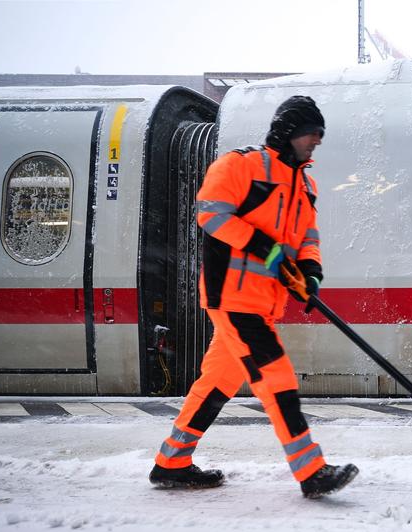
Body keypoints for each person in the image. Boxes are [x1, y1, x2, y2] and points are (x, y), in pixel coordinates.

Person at [149, 95, 358, 499]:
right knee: (276, 375)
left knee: (218, 382)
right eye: (309, 135)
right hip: (231, 295)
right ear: (287, 133)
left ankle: (171, 462)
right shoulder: (242, 165)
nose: (315, 143)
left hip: (263, 301)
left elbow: (306, 238)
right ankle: (310, 470)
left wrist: (310, 271)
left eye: (319, 136)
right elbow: (211, 213)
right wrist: (265, 247)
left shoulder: (305, 184)